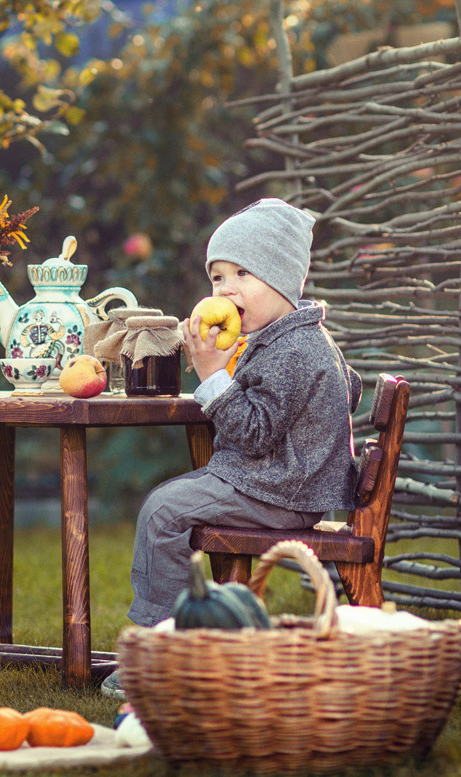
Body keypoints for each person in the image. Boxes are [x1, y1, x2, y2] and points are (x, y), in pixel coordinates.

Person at [103, 198, 362, 699]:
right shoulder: (289, 339)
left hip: (283, 490)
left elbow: (255, 433)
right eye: (218, 277)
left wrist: (214, 377)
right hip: (283, 483)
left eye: (242, 272)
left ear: (282, 280)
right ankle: (189, 640)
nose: (226, 288)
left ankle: (166, 653)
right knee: (175, 498)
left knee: (163, 510)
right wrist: (223, 366)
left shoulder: (294, 349)